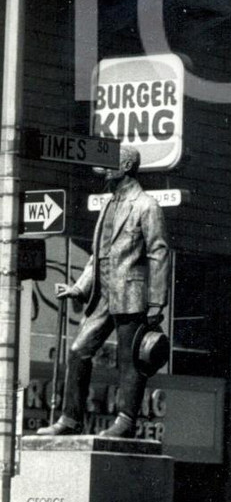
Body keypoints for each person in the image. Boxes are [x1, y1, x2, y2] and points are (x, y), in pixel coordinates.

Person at [40, 145, 170, 439]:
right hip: (103, 294)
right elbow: (96, 256)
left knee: (130, 359)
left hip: (131, 293)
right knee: (78, 351)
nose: (103, 171)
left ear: (125, 166)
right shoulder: (109, 205)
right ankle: (70, 419)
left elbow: (159, 253)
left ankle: (125, 422)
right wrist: (78, 288)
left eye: (108, 166)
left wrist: (156, 301)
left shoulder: (146, 205)